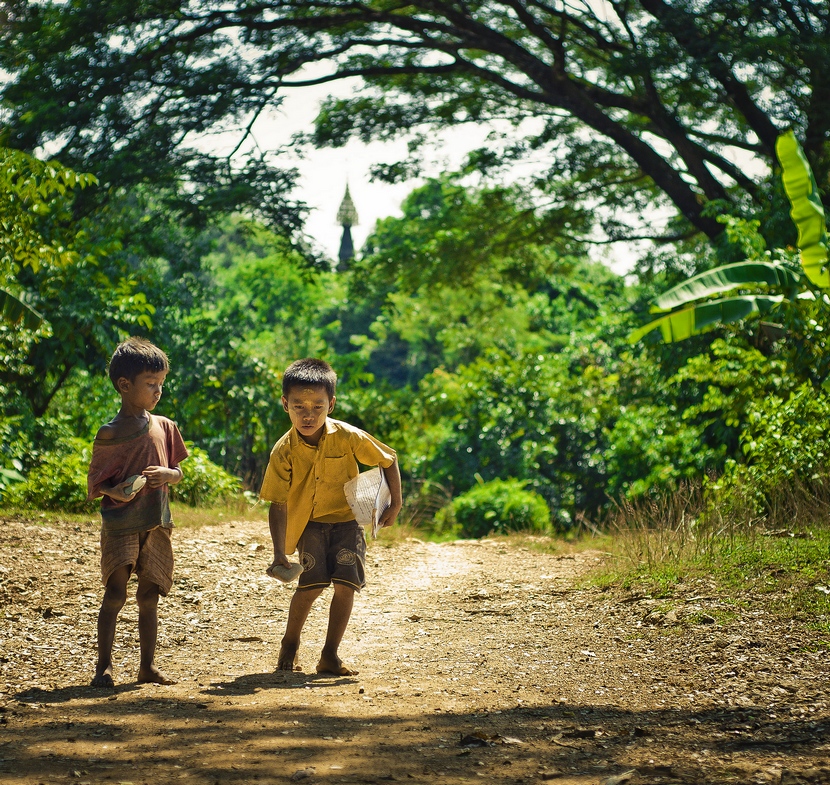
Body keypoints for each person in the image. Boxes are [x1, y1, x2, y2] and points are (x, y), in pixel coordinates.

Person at [260, 358, 402, 676]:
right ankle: (290, 644)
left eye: (317, 407)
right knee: (311, 587)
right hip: (309, 524)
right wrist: (279, 551)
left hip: (348, 522)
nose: (308, 415)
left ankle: (329, 655)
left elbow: (388, 459)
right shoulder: (283, 451)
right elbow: (278, 504)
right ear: (285, 404)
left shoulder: (348, 436)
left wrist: (396, 504)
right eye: (299, 406)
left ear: (331, 404)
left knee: (345, 585)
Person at [86, 337, 188, 688]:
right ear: (124, 385)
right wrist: (117, 490)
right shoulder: (110, 433)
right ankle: (103, 667)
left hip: (156, 521)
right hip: (121, 523)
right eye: (150, 384)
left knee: (149, 594)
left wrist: (167, 474)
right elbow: (99, 481)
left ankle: (147, 666)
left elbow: (178, 471)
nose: (158, 391)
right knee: (115, 593)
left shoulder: (165, 426)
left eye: (161, 384)